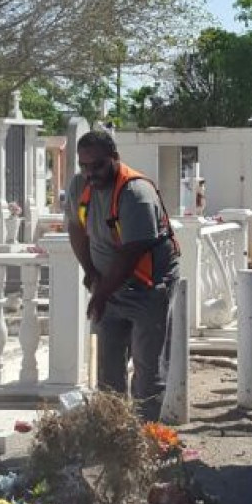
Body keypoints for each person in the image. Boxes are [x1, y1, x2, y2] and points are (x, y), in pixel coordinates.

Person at [66, 131, 179, 420]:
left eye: (98, 165)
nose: (91, 173)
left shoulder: (135, 193)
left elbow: (131, 253)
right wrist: (91, 272)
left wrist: (100, 293)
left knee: (147, 371)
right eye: (84, 166)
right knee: (108, 371)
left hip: (148, 287)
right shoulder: (81, 186)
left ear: (115, 158)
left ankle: (147, 439)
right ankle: (114, 437)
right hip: (108, 287)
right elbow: (77, 230)